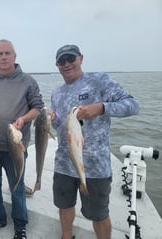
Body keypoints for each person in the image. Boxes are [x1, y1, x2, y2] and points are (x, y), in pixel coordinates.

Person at [50, 44, 140, 239]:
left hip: (95, 168)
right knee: (64, 206)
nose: (66, 64)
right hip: (64, 164)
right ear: (57, 65)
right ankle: (67, 237)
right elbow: (60, 128)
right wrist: (53, 119)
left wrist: (101, 108)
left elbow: (133, 105)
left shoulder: (99, 80)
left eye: (70, 59)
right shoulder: (57, 93)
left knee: (98, 214)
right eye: (61, 61)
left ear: (80, 58)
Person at [0, 39, 44, 239]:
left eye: (7, 53)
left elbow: (37, 107)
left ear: (15, 56)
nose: (4, 57)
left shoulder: (28, 81)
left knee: (17, 188)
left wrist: (24, 118)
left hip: (16, 147)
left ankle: (20, 225)